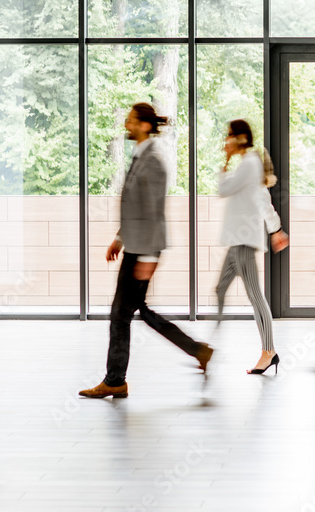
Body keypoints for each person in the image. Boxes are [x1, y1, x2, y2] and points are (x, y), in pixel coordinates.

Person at [80, 103, 213, 399]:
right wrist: (119, 238)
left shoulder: (152, 160)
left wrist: (150, 258)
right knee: (137, 312)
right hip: (136, 247)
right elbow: (136, 207)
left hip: (144, 252)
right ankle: (198, 351)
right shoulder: (141, 156)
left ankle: (115, 380)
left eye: (130, 121)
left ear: (143, 125)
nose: (126, 125)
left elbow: (154, 212)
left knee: (119, 315)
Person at [215, 119, 288, 374]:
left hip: (244, 242)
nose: (226, 141)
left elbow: (226, 190)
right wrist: (275, 229)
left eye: (229, 136)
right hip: (237, 240)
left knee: (256, 296)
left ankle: (269, 351)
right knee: (221, 287)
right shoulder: (248, 163)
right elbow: (260, 198)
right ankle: (213, 342)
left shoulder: (248, 164)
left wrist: (275, 229)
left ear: (240, 138)